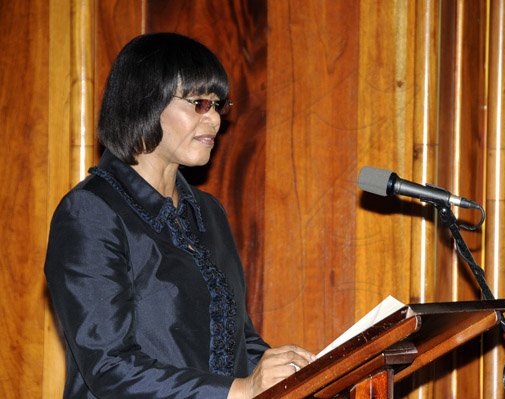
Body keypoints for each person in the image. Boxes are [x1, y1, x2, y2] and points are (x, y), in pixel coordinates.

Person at [44, 32, 315, 398]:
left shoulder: (207, 213)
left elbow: (238, 345)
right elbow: (109, 367)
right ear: (145, 102)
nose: (216, 120)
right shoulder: (91, 212)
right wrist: (239, 390)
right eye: (200, 103)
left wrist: (297, 373)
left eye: (219, 105)